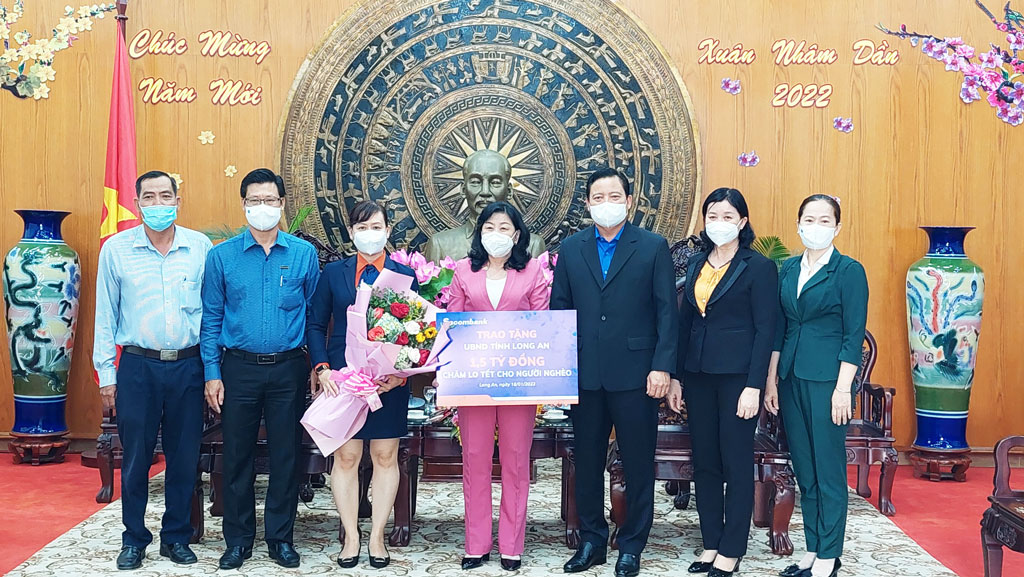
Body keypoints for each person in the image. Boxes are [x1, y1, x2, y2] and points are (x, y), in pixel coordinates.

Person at [551, 168, 678, 577]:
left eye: (614, 196)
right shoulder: (571, 248)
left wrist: (662, 366)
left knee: (638, 463)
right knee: (587, 462)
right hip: (585, 373)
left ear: (629, 201)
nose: (606, 204)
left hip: (637, 374)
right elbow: (560, 310)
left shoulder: (653, 246)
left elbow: (667, 312)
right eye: (598, 197)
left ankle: (632, 544)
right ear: (588, 203)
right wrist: (560, 370)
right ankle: (592, 540)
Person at [201, 168, 320, 570]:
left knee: (286, 455)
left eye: (270, 200)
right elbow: (211, 319)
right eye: (255, 201)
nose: (262, 207)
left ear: (282, 204)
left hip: (288, 369)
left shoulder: (303, 255)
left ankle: (280, 539)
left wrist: (316, 366)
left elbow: (314, 315)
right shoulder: (222, 257)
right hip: (238, 369)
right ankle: (237, 541)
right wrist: (212, 372)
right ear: (244, 205)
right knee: (237, 457)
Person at [93, 170, 212, 571]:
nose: (158, 203)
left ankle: (175, 537)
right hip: (137, 367)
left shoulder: (200, 247)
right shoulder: (116, 250)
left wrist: (212, 370)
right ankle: (134, 539)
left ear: (178, 201)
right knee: (136, 458)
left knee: (183, 457)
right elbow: (105, 316)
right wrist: (106, 374)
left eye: (165, 196)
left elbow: (211, 313)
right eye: (149, 197)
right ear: (137, 203)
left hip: (189, 366)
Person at [668, 188, 778, 577]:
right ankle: (711, 542)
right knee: (706, 463)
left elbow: (765, 331)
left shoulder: (759, 267)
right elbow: (685, 324)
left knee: (735, 462)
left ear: (742, 222)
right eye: (712, 216)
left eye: (728, 216)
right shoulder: (697, 262)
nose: (719, 223)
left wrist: (754, 386)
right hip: (698, 377)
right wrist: (677, 377)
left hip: (737, 381)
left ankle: (732, 549)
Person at [306, 200, 415, 570]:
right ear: (351, 233)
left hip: (388, 383)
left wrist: (400, 373)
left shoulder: (404, 275)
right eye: (362, 227)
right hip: (344, 380)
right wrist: (322, 368)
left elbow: (414, 331)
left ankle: (377, 536)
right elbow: (316, 324)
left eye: (376, 227)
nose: (370, 234)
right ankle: (351, 535)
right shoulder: (333, 274)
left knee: (385, 456)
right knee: (347, 457)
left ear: (388, 231)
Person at [764, 195, 868, 577]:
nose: (816, 226)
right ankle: (812, 549)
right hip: (791, 377)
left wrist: (843, 389)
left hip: (828, 382)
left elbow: (853, 335)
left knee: (828, 471)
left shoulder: (849, 271)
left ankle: (829, 555)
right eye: (809, 219)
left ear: (837, 227)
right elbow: (779, 328)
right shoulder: (789, 268)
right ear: (798, 224)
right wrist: (772, 380)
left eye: (825, 220)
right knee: (805, 469)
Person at [445, 201, 551, 572]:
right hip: (474, 380)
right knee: (474, 459)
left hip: (518, 382)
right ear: (480, 233)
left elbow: (541, 324)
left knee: (515, 461)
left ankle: (511, 545)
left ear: (517, 235)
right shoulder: (463, 270)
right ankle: (476, 544)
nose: (496, 234)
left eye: (504, 228)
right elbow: (453, 324)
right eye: (489, 227)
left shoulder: (533, 271)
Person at [422, 149, 545, 262]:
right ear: (463, 190)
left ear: (509, 191)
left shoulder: (533, 246)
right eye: (476, 182)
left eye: (495, 182)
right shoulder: (440, 244)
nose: (485, 192)